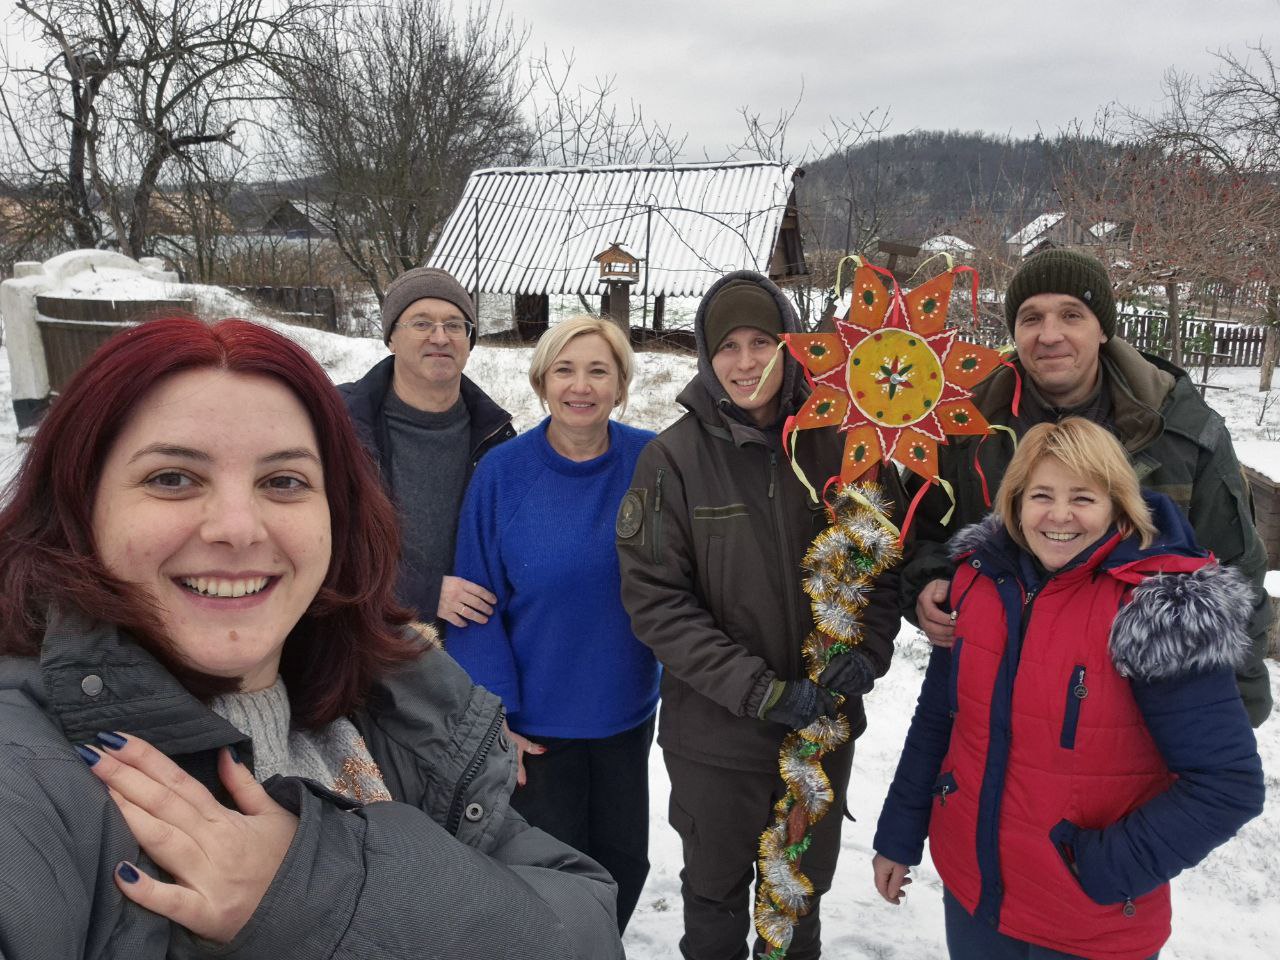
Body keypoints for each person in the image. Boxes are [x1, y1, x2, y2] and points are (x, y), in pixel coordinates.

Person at [0, 316, 624, 960]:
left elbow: (584, 929)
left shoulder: (397, 708)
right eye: (172, 478)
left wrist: (327, 892)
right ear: (78, 505)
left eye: (283, 482)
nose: (238, 529)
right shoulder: (28, 779)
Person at [873, 417, 1264, 960]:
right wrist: (898, 834)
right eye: (1041, 496)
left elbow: (1227, 785)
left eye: (1083, 497)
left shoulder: (1156, 611)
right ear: (1015, 503)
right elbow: (939, 720)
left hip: (1089, 926)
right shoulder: (979, 582)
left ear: (1117, 504)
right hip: (973, 897)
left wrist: (1102, 868)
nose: (1059, 516)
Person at [617, 270, 903, 960]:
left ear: (791, 346)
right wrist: (760, 691)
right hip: (716, 739)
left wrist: (868, 650)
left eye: (763, 343)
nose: (746, 362)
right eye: (728, 347)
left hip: (818, 735)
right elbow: (658, 602)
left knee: (797, 901)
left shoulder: (846, 443)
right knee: (714, 900)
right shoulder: (672, 461)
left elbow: (884, 561)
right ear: (706, 357)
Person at [448, 315, 660, 933]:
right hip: (534, 728)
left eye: (599, 371)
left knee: (623, 864)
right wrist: (499, 719)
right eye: (564, 370)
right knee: (553, 883)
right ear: (542, 381)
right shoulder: (502, 474)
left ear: (621, 385)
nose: (581, 386)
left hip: (625, 711)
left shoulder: (652, 462)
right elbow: (475, 606)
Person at [339, 266, 515, 628]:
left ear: (469, 341)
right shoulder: (341, 423)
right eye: (421, 324)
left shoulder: (496, 437)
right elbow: (319, 544)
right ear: (391, 338)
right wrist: (424, 594)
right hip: (362, 635)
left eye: (454, 325)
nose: (440, 337)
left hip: (465, 639)